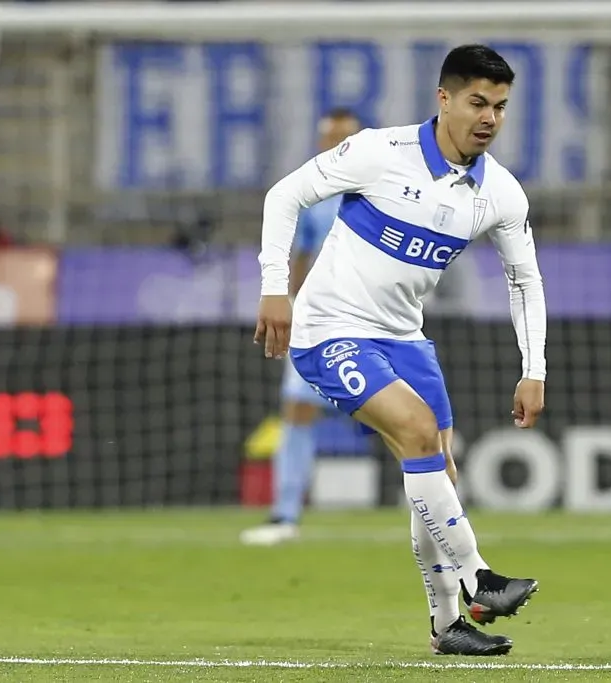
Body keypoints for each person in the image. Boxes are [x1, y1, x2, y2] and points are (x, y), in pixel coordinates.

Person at [255, 45, 546, 657]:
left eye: (500, 106)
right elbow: (284, 195)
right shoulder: (379, 153)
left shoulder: (501, 194)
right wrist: (274, 290)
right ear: (444, 99)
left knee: (438, 469)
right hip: (328, 328)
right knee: (416, 431)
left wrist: (533, 368)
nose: (489, 117)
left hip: (404, 335)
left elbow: (525, 281)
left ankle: (447, 627)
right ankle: (478, 578)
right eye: (477, 103)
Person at [240, 109, 363, 547]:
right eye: (330, 138)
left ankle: (436, 509)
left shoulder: (382, 193)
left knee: (402, 417)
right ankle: (284, 516)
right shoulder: (311, 198)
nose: (336, 145)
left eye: (344, 138)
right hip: (317, 318)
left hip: (372, 318)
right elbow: (301, 260)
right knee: (297, 410)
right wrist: (290, 306)